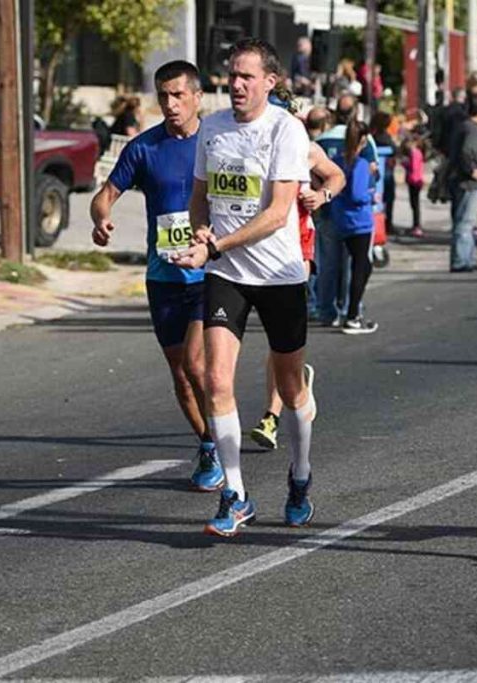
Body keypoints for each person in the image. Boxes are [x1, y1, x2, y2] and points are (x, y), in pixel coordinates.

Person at [174, 38, 316, 536]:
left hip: (280, 275)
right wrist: (201, 232)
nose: (236, 84)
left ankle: (299, 475)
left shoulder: (286, 130)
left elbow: (279, 214)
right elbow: (199, 195)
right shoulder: (211, 128)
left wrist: (217, 244)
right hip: (227, 274)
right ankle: (235, 494)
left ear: (270, 82)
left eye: (247, 77)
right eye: (232, 75)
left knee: (291, 387)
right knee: (216, 380)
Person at [90, 61, 223, 491]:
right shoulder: (144, 148)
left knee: (196, 364)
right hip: (163, 276)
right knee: (181, 376)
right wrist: (101, 219)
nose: (170, 104)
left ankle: (223, 440)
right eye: (163, 96)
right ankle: (209, 443)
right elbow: (105, 195)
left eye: (178, 95)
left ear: (197, 96)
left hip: (208, 272)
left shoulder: (217, 141)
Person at [250, 93, 345, 451]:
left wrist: (322, 197)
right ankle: (296, 380)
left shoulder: (306, 149)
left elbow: (336, 176)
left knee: (278, 337)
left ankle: (271, 416)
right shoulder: (248, 148)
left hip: (295, 250)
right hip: (251, 252)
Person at [331, 121, 378, 334]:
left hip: (341, 218)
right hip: (359, 221)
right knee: (362, 266)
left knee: (353, 265)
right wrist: (370, 193)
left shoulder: (337, 161)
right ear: (362, 140)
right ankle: (352, 315)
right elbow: (359, 194)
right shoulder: (359, 164)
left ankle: (347, 311)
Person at [447, 94, 477, 272]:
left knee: (466, 221)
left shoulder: (465, 126)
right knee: (465, 221)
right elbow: (466, 151)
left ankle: (467, 257)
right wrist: (473, 169)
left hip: (462, 181)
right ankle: (460, 260)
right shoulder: (472, 129)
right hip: (468, 183)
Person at [401, 134, 425, 237]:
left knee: (415, 204)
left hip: (414, 181)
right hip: (416, 180)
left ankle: (417, 226)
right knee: (414, 204)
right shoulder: (417, 153)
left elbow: (414, 168)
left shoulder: (414, 153)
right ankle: (416, 225)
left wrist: (405, 164)